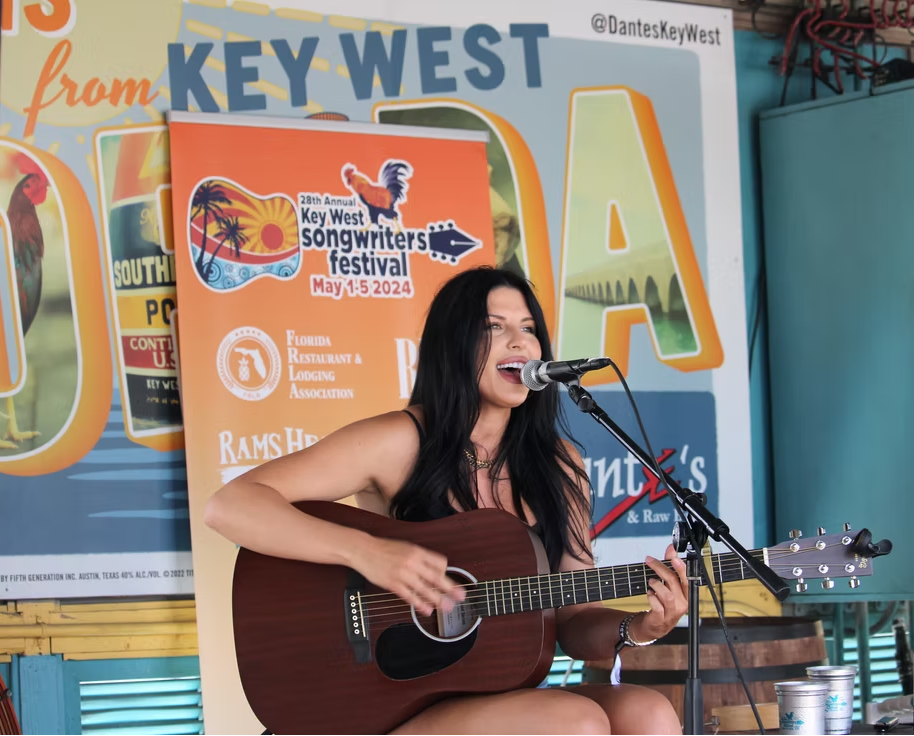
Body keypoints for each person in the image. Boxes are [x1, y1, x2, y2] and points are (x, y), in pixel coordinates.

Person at [204, 266, 688, 735]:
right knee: (576, 725)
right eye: (494, 328)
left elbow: (573, 621)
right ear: (452, 345)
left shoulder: (561, 467)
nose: (520, 341)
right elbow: (230, 505)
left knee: (650, 715)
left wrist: (640, 626)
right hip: (390, 701)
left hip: (498, 692)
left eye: (528, 328)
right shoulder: (400, 441)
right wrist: (367, 553)